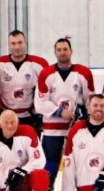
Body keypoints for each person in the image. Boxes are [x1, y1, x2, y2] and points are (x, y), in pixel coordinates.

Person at [34, 37, 94, 180]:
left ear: (71, 51)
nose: (62, 52)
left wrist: (86, 117)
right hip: (52, 130)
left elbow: (91, 101)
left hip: (77, 130)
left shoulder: (83, 73)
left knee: (80, 166)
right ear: (55, 52)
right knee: (49, 168)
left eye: (65, 49)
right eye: (59, 50)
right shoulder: (46, 73)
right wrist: (60, 112)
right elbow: (39, 103)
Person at [0, 29, 48, 130]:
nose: (17, 47)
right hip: (6, 116)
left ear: (26, 43)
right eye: (13, 43)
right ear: (8, 45)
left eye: (20, 43)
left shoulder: (39, 64)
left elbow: (47, 91)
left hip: (31, 117)